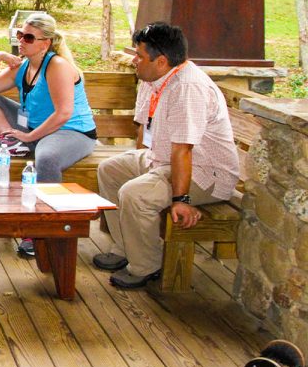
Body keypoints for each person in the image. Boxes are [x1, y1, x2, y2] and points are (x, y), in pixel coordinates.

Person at [92, 22, 239, 289]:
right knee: (110, 170)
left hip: (205, 172)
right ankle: (125, 247)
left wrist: (180, 200)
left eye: (139, 55)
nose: (134, 60)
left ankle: (146, 265)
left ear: (161, 61)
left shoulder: (187, 88)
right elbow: (143, 130)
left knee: (135, 194)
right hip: (161, 159)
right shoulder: (152, 79)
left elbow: (184, 150)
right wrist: (141, 171)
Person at [0, 12, 97, 257]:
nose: (21, 40)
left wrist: (29, 137)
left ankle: (43, 229)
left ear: (45, 43)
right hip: (35, 128)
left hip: (71, 132)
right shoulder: (23, 66)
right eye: (20, 34)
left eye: (28, 37)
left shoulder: (57, 66)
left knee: (47, 158)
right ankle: (14, 140)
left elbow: (63, 114)